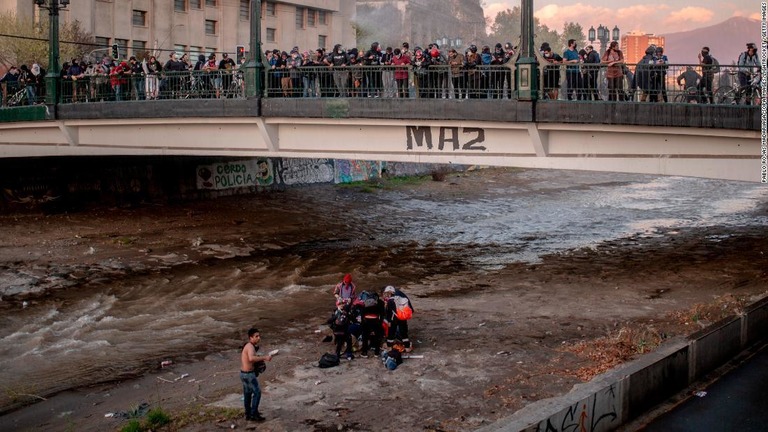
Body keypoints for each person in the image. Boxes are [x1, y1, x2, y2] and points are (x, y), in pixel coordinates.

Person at [240, 328, 273, 422]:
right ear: (251, 337)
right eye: (256, 336)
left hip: (243, 374)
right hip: (248, 375)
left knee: (247, 394)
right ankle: (254, 414)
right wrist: (265, 358)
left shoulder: (249, 346)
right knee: (257, 393)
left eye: (259, 336)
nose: (259, 338)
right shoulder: (250, 346)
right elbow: (251, 358)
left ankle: (248, 414)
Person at [382, 285, 414, 352]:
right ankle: (407, 347)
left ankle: (389, 347)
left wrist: (389, 321)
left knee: (391, 334)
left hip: (394, 319)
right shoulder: (401, 298)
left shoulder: (390, 301)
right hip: (402, 318)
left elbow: (389, 312)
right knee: (404, 333)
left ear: (389, 293)